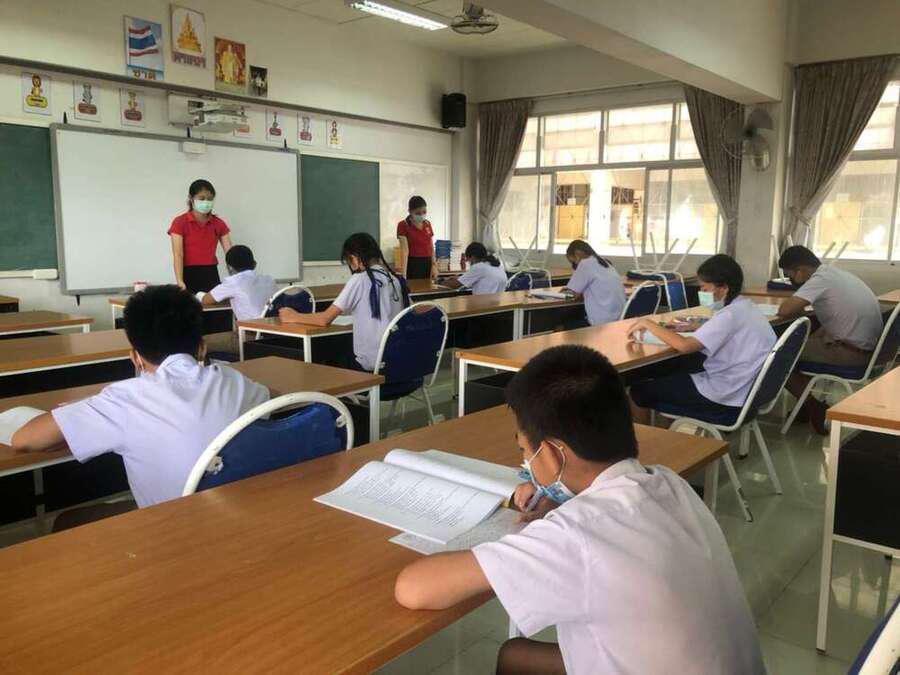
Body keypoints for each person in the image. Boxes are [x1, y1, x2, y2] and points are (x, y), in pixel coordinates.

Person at [394, 345, 765, 675]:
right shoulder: (667, 482)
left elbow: (414, 588)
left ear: (552, 453)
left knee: (516, 654)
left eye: (525, 451)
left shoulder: (576, 536)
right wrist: (559, 499)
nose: (525, 463)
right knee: (516, 655)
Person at [11, 285, 269, 510]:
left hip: (170, 534)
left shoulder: (124, 399)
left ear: (135, 357)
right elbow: (265, 396)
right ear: (202, 347)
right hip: (239, 517)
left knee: (69, 520)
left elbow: (24, 440)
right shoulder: (236, 382)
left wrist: (85, 409)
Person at [628, 254, 776, 426]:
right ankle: (668, 431)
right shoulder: (747, 307)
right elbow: (728, 330)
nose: (702, 293)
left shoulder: (729, 316)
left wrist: (648, 323)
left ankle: (649, 440)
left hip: (724, 398)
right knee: (675, 371)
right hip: (746, 393)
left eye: (705, 289)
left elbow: (685, 346)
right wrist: (700, 326)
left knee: (638, 391)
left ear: (724, 287)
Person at [776, 245, 883, 434]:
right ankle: (803, 404)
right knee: (807, 340)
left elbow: (784, 310)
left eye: (789, 275)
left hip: (851, 354)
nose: (790, 280)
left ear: (800, 270)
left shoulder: (819, 279)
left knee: (777, 356)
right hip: (871, 352)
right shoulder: (834, 274)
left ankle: (812, 406)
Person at [279, 233, 409, 371]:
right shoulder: (395, 279)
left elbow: (324, 319)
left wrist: (293, 316)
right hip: (396, 359)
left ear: (353, 258)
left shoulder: (360, 279)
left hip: (372, 363)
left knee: (327, 352)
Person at [168, 179, 233, 293]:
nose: (206, 202)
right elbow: (178, 254)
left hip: (211, 272)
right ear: (191, 198)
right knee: (190, 304)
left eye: (210, 199)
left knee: (214, 304)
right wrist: (179, 280)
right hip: (188, 272)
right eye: (201, 198)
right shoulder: (180, 222)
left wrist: (235, 279)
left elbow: (231, 254)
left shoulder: (218, 223)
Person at [199, 245, 276, 322]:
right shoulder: (269, 279)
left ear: (229, 267)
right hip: (273, 324)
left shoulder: (233, 282)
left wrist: (198, 295)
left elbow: (206, 300)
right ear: (254, 264)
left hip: (253, 326)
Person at [562, 239, 626, 327]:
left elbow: (573, 294)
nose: (574, 265)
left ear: (577, 254)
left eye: (573, 261)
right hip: (618, 319)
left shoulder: (585, 264)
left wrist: (565, 291)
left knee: (562, 325)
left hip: (601, 323)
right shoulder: (604, 262)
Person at [397, 195, 437, 280]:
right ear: (410, 211)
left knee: (428, 287)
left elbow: (431, 246)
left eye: (424, 212)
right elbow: (404, 251)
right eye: (418, 213)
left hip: (427, 262)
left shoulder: (427, 224)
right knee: (414, 287)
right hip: (412, 264)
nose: (422, 215)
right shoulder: (403, 225)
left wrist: (434, 265)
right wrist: (404, 276)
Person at [443, 242, 507, 295]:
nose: (470, 264)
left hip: (482, 304)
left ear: (472, 257)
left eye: (469, 261)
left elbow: (455, 285)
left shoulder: (479, 267)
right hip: (498, 304)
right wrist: (460, 278)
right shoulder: (497, 265)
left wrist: (441, 283)